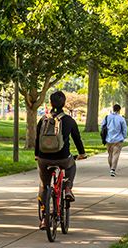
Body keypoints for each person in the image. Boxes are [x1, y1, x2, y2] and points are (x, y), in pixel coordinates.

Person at [35, 91, 86, 229]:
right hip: (63, 158)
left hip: (43, 158)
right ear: (64, 104)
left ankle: (44, 218)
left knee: (43, 185)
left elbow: (37, 138)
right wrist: (82, 153)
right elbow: (77, 138)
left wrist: (36, 155)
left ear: (50, 103)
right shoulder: (69, 120)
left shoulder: (43, 119)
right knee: (71, 165)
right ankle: (68, 187)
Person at [100, 104, 127, 177]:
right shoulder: (121, 118)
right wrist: (123, 137)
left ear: (113, 109)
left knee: (110, 154)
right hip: (118, 139)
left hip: (108, 138)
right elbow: (124, 129)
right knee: (116, 154)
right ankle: (113, 169)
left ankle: (111, 167)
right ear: (119, 110)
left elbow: (101, 126)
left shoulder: (107, 117)